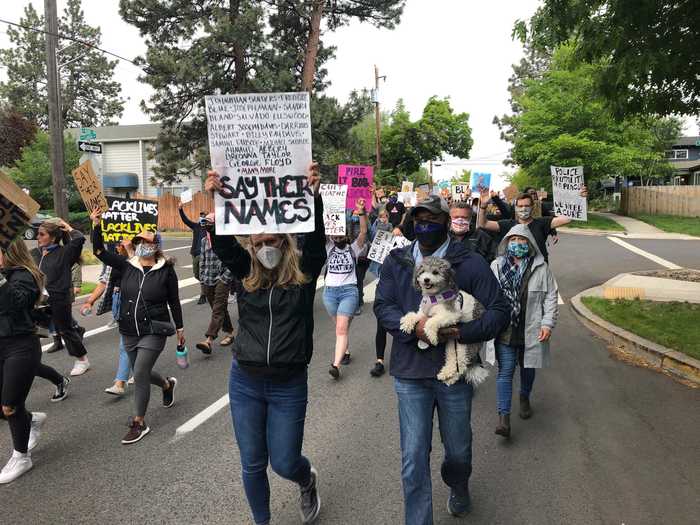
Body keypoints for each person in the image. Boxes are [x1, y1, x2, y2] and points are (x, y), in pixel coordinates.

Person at [374, 195, 509, 525]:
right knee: (413, 458)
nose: (425, 225)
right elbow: (383, 306)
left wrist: (464, 333)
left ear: (447, 223)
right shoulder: (397, 261)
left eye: (432, 219)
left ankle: (459, 485)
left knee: (458, 453)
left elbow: (500, 311)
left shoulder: (471, 262)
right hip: (410, 373)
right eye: (419, 219)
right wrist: (415, 329)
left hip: (456, 375)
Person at [206, 163, 324, 525]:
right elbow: (225, 245)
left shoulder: (304, 278)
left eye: (272, 240)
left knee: (285, 461)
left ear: (285, 241)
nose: (265, 247)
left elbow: (317, 241)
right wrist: (216, 195)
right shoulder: (246, 275)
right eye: (258, 243)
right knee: (252, 462)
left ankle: (306, 479)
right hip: (245, 381)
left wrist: (314, 198)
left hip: (288, 383)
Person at [91, 208, 184, 444]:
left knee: (140, 373)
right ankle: (166, 384)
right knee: (140, 371)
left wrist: (181, 329)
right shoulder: (126, 265)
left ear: (156, 246)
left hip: (155, 328)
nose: (143, 244)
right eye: (139, 241)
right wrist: (96, 225)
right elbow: (99, 251)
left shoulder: (166, 270)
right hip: (129, 329)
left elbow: (174, 301)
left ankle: (139, 422)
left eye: (148, 241)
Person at [484, 224, 559, 438]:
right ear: (506, 242)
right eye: (513, 240)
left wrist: (547, 324)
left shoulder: (541, 267)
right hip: (504, 330)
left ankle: (525, 396)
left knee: (528, 368)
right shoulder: (496, 266)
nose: (518, 244)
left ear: (530, 243)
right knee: (506, 370)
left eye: (523, 240)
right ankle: (504, 418)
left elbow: (551, 297)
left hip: (531, 328)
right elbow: (488, 296)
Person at [0, 238, 47, 483]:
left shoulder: (24, 276)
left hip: (20, 346)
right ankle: (31, 419)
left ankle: (22, 456)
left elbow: (15, 304)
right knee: (3, 407)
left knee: (10, 406)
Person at [31, 219, 90, 376]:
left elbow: (78, 239)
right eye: (38, 234)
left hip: (59, 298)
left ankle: (82, 360)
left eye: (42, 234)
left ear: (53, 237)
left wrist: (69, 228)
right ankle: (32, 363)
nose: (38, 237)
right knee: (35, 330)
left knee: (65, 330)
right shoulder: (36, 253)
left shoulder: (64, 253)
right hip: (40, 301)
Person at [80, 241, 135, 396]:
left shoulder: (138, 261)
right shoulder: (113, 261)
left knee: (126, 343)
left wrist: (131, 251)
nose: (117, 247)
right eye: (116, 244)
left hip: (134, 304)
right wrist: (89, 301)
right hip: (119, 303)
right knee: (131, 341)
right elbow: (103, 282)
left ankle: (120, 383)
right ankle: (139, 371)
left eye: (120, 244)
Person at [477, 188, 586, 263]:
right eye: (520, 206)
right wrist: (482, 206)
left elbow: (567, 218)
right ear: (515, 207)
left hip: (539, 270)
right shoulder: (508, 224)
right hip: (516, 270)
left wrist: (579, 198)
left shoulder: (542, 223)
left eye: (527, 205)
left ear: (533, 207)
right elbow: (483, 223)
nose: (523, 208)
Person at [324, 198, 368, 379]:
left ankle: (335, 365)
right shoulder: (328, 247)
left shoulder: (354, 249)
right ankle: (345, 351)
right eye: (334, 237)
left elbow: (364, 231)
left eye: (340, 236)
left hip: (349, 291)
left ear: (346, 236)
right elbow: (321, 230)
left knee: (341, 328)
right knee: (340, 328)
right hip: (329, 293)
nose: (337, 239)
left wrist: (362, 212)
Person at [196, 213, 235, 354]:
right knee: (218, 308)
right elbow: (202, 260)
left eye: (209, 223)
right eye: (205, 223)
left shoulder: (227, 239)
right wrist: (202, 278)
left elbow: (233, 261)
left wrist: (225, 278)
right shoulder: (204, 241)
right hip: (208, 278)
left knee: (218, 307)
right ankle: (230, 332)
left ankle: (208, 340)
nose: (207, 226)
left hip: (222, 278)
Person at [368, 206, 393, 377]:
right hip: (383, 285)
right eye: (380, 216)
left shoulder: (396, 231)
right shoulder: (374, 230)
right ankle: (379, 361)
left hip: (397, 286)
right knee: (381, 324)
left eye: (385, 216)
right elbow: (366, 232)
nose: (383, 219)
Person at [179, 204, 209, 305]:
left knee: (201, 273)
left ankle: (203, 295)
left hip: (204, 254)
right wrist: (180, 209)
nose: (202, 217)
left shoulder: (210, 228)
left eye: (204, 215)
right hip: (194, 253)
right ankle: (206, 286)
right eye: (201, 215)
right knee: (196, 274)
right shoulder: (196, 226)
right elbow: (185, 220)